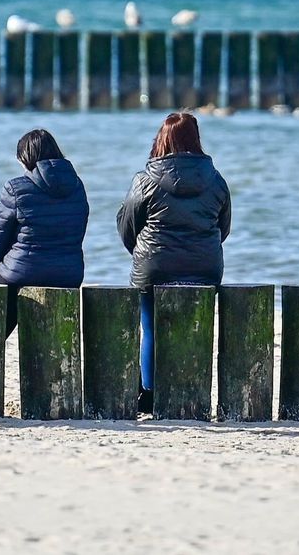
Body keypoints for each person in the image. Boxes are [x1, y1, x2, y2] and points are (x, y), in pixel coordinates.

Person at [116, 113, 231, 414]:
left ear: (162, 140)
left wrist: (142, 251)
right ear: (196, 139)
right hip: (204, 268)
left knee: (150, 328)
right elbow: (224, 228)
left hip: (155, 268)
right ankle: (193, 387)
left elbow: (127, 226)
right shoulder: (216, 180)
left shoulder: (145, 180)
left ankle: (150, 392)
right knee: (198, 326)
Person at [0, 129, 89, 337]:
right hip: (68, 274)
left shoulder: (14, 188)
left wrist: (1, 266)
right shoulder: (78, 186)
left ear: (25, 159)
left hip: (22, 273)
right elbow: (79, 231)